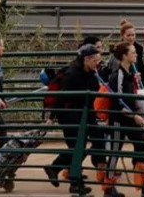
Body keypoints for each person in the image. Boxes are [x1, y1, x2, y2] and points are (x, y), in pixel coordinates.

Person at [102, 41, 144, 197]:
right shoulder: (118, 75)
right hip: (119, 119)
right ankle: (108, 188)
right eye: (133, 52)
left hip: (131, 117)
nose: (136, 54)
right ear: (124, 56)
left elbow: (133, 98)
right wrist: (134, 115)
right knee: (115, 152)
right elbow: (117, 102)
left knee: (142, 146)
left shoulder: (130, 75)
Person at [44, 44, 105, 197]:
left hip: (85, 112)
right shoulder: (72, 74)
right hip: (69, 114)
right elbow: (61, 96)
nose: (98, 63)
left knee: (83, 147)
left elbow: (93, 93)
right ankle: (75, 184)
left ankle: (56, 168)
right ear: (86, 59)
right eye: (95, 60)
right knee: (77, 147)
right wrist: (52, 117)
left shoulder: (91, 72)